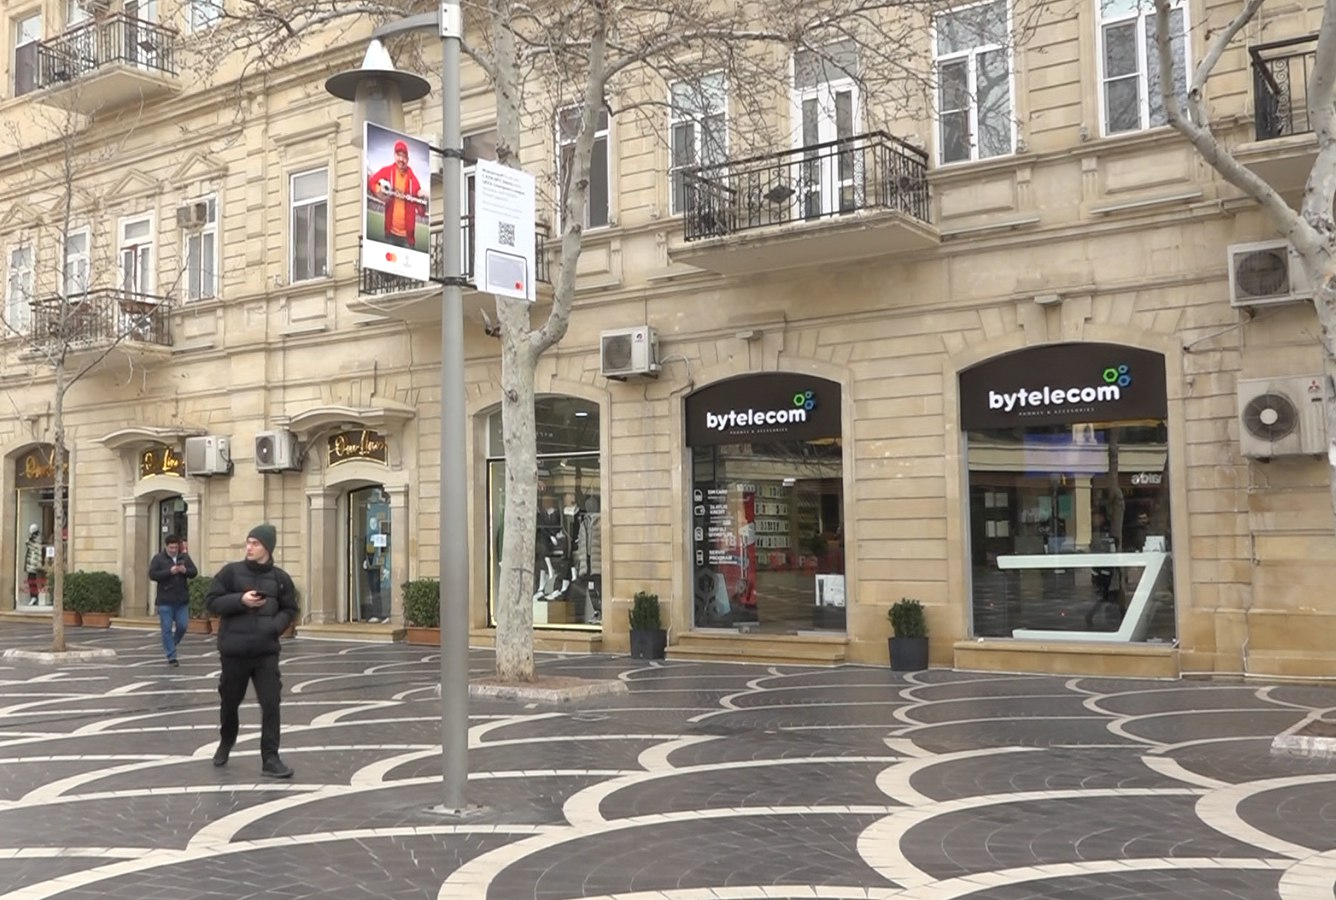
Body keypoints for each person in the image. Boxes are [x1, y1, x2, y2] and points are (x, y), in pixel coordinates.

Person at [205, 523, 299, 778]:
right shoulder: (230, 573)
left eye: (255, 543)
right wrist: (240, 600)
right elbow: (211, 602)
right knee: (230, 703)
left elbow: (289, 609)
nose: (249, 547)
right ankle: (227, 740)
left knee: (271, 704)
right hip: (234, 652)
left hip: (265, 652)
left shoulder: (280, 579)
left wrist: (274, 627)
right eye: (248, 542)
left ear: (267, 547)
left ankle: (271, 758)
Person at [367, 139, 426, 249]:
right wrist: (379, 193)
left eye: (404, 157)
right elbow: (371, 182)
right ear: (394, 155)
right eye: (399, 155)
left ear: (408, 159)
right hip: (390, 234)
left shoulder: (414, 181)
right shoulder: (387, 171)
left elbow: (421, 212)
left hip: (407, 239)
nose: (401, 159)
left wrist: (422, 199)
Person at [149, 533, 197, 667]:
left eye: (176, 547)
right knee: (166, 629)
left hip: (181, 600)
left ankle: (171, 644)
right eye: (171, 548)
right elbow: (152, 575)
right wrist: (169, 572)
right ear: (166, 547)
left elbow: (194, 572)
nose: (174, 550)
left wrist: (184, 570)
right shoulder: (158, 559)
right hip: (165, 600)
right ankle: (172, 656)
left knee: (182, 626)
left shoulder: (184, 557)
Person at [23, 524, 43, 606]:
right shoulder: (36, 539)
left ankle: (34, 597)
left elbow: (28, 543)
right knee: (32, 580)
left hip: (33, 564)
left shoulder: (34, 540)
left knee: (31, 581)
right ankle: (34, 597)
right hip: (33, 563)